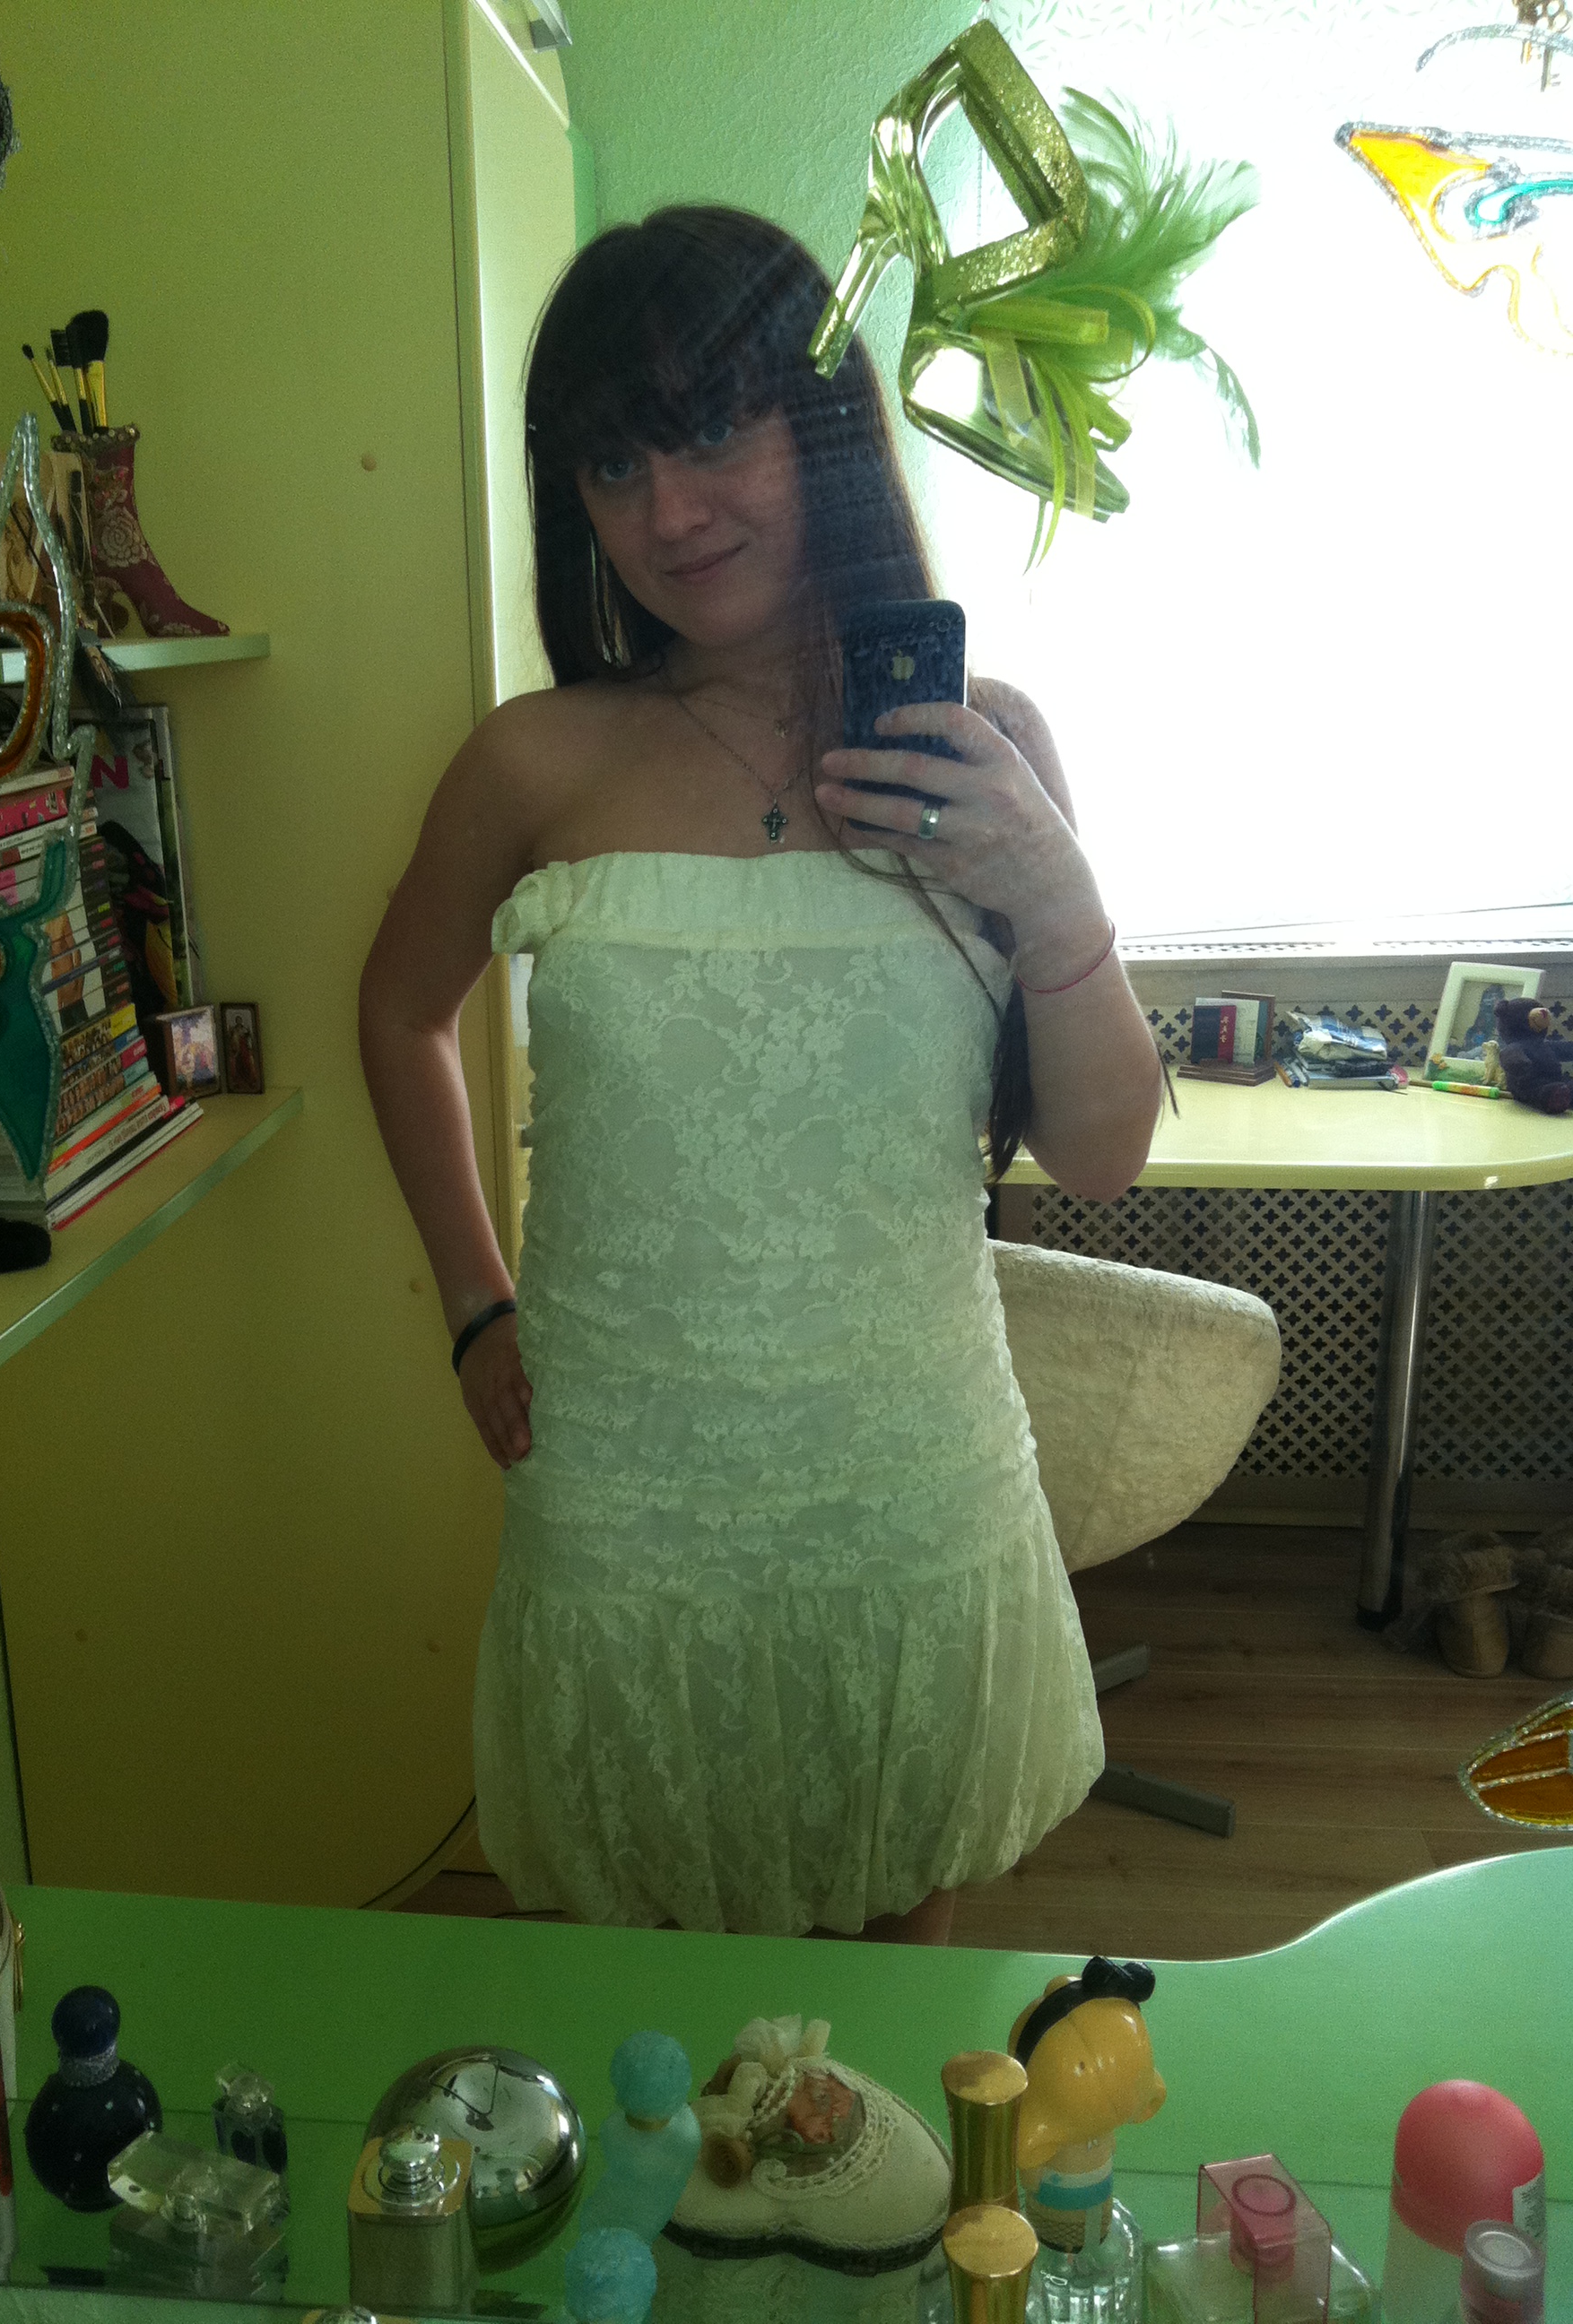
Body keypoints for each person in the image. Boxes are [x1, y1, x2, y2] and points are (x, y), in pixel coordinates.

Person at [359, 207, 1163, 1944]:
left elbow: (1101, 1154)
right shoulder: (534, 762)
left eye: (714, 429)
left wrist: (1050, 888)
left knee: (889, 1995)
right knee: (635, 1991)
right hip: (624, 1477)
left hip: (905, 1468)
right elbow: (398, 1016)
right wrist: (474, 1307)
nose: (670, 511)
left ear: (823, 428)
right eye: (614, 461)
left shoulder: (984, 742)